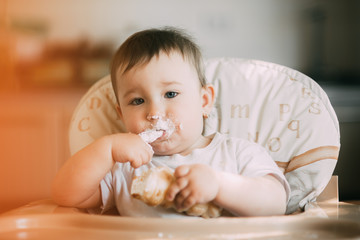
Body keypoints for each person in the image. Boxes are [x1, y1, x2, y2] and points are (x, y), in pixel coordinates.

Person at [52, 27, 290, 217]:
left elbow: (276, 202)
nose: (154, 113)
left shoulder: (236, 153)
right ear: (121, 115)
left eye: (170, 94)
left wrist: (219, 185)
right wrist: (107, 149)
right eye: (137, 101)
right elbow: (67, 196)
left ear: (204, 101)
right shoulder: (123, 168)